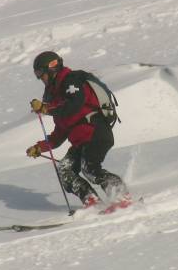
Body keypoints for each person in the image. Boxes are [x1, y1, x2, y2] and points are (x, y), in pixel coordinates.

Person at [26, 51, 131, 211]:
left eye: (41, 73)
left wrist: (46, 108)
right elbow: (60, 132)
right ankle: (92, 202)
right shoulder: (53, 94)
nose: (40, 78)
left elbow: (74, 105)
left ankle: (121, 195)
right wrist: (40, 147)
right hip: (81, 141)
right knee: (65, 169)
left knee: (90, 169)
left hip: (96, 131)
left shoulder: (70, 81)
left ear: (52, 68)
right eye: (37, 74)